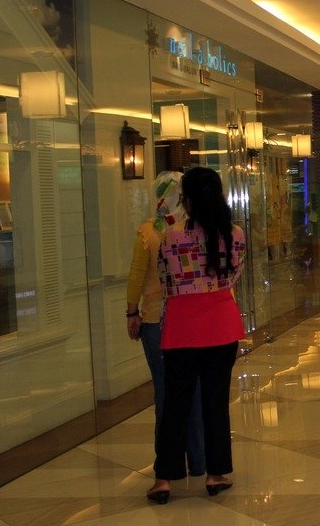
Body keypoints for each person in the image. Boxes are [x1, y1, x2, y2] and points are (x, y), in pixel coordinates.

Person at [147, 167, 247, 504]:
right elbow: (232, 278)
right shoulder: (233, 234)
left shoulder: (171, 237)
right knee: (215, 403)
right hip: (221, 326)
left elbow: (164, 280)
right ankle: (215, 474)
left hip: (181, 329)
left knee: (175, 404)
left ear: (186, 200)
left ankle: (164, 479)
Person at [126, 172, 206, 482]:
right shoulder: (194, 230)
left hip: (154, 322)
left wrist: (131, 313)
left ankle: (168, 465)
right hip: (190, 321)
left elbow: (136, 277)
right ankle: (198, 462)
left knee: (165, 395)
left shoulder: (148, 233)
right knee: (195, 390)